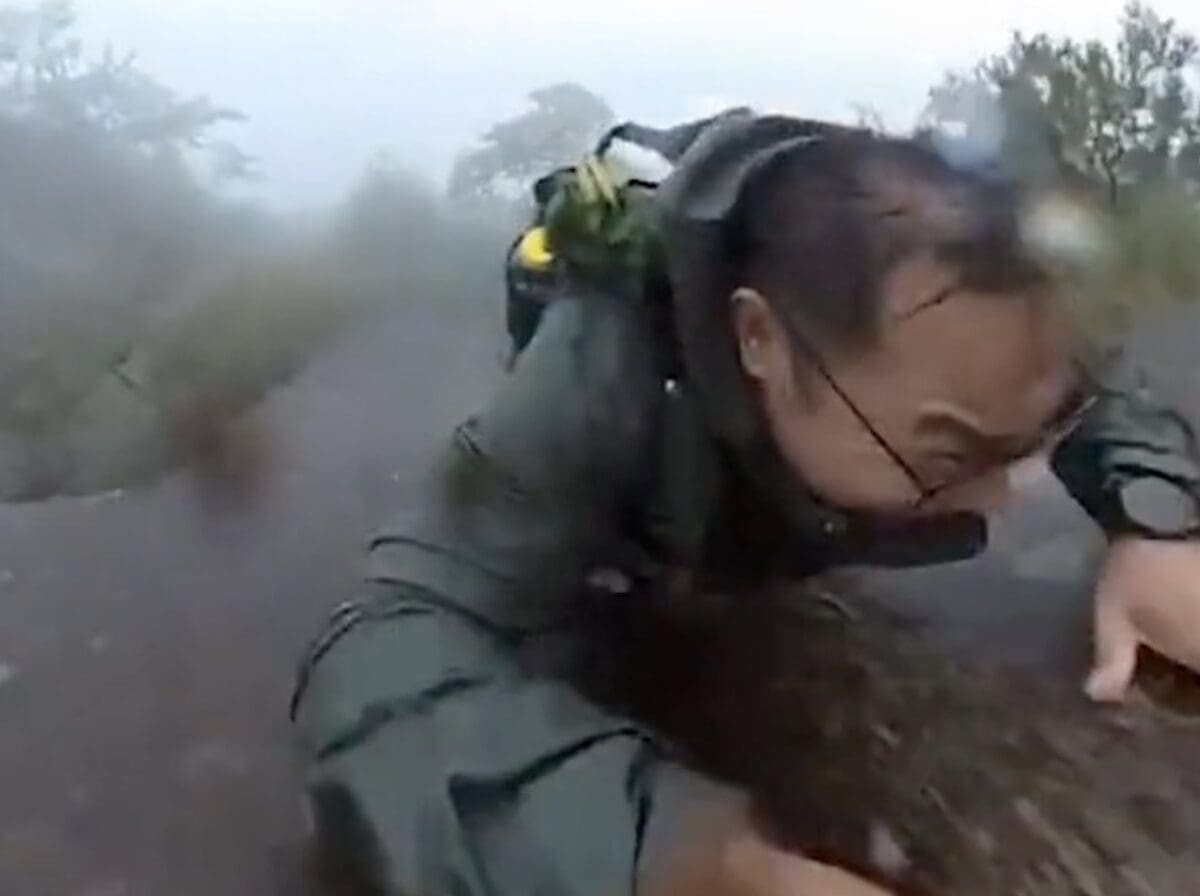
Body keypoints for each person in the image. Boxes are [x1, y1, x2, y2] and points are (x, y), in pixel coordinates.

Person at [291, 112, 1200, 895]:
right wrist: (689, 864)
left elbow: (1062, 366)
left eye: (1023, 446)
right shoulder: (594, 374)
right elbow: (380, 663)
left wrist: (1157, 524)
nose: (1011, 493)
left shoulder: (915, 276)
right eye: (950, 452)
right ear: (760, 338)